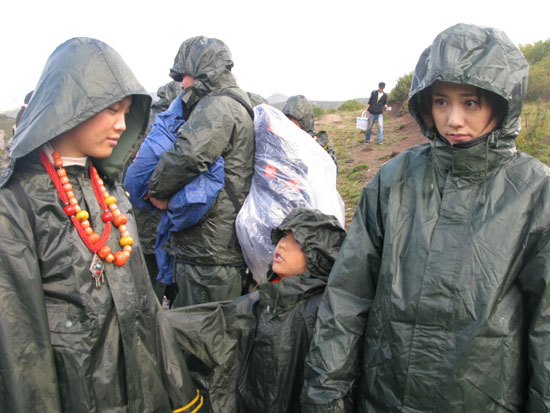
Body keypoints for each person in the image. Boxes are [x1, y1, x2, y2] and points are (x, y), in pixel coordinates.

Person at [301, 23, 550, 412]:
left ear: (501, 103)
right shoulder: (394, 180)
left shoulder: (536, 192)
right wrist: (326, 397)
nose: (453, 119)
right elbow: (348, 296)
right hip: (384, 395)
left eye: (470, 102)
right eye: (440, 102)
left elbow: (546, 330)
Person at [0, 37, 202, 412]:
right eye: (111, 109)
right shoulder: (15, 205)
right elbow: (20, 349)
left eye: (126, 111)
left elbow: (148, 310)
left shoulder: (110, 192)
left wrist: (176, 393)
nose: (121, 124)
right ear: (69, 106)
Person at [167, 207, 346, 412]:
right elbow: (218, 322)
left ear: (318, 257)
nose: (283, 245)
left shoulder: (318, 312)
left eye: (297, 241)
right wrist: (159, 323)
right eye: (283, 236)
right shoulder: (267, 298)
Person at [148, 36, 255, 308]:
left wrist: (157, 191)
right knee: (217, 330)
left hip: (208, 248)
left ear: (202, 71)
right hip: (218, 245)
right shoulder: (236, 103)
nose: (182, 84)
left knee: (201, 333)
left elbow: (189, 154)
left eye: (185, 75)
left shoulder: (217, 106)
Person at [282, 94, 337, 167]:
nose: (289, 125)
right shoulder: (282, 141)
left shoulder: (319, 143)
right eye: (287, 119)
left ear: (304, 121)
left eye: (293, 121)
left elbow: (330, 171)